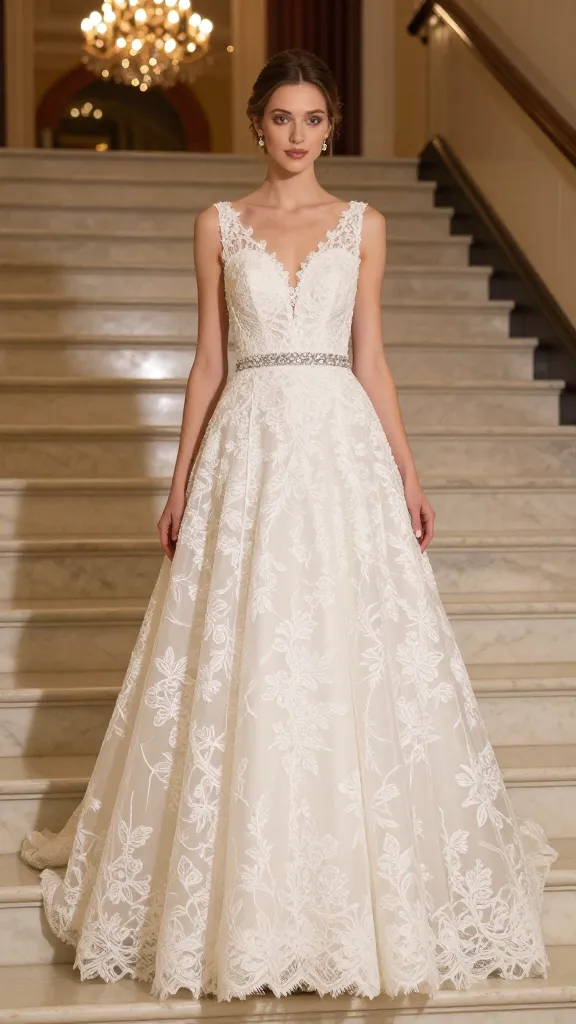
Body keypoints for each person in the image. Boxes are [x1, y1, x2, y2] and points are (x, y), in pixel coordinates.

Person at [22, 47, 557, 1003]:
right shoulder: (218, 225)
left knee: (344, 642)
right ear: (257, 124)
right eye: (281, 118)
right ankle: (247, 891)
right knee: (254, 646)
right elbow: (207, 362)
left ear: (331, 128)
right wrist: (180, 480)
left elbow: (373, 359)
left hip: (341, 447)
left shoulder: (365, 225)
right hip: (250, 448)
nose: (297, 135)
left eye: (313, 119)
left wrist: (408, 470)